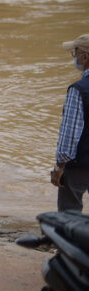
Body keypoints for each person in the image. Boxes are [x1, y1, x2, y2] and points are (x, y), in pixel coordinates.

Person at [51, 34, 89, 212]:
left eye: (75, 53)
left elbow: (70, 135)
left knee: (70, 214)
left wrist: (59, 167)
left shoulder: (78, 90)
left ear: (85, 57)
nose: (75, 58)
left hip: (80, 165)